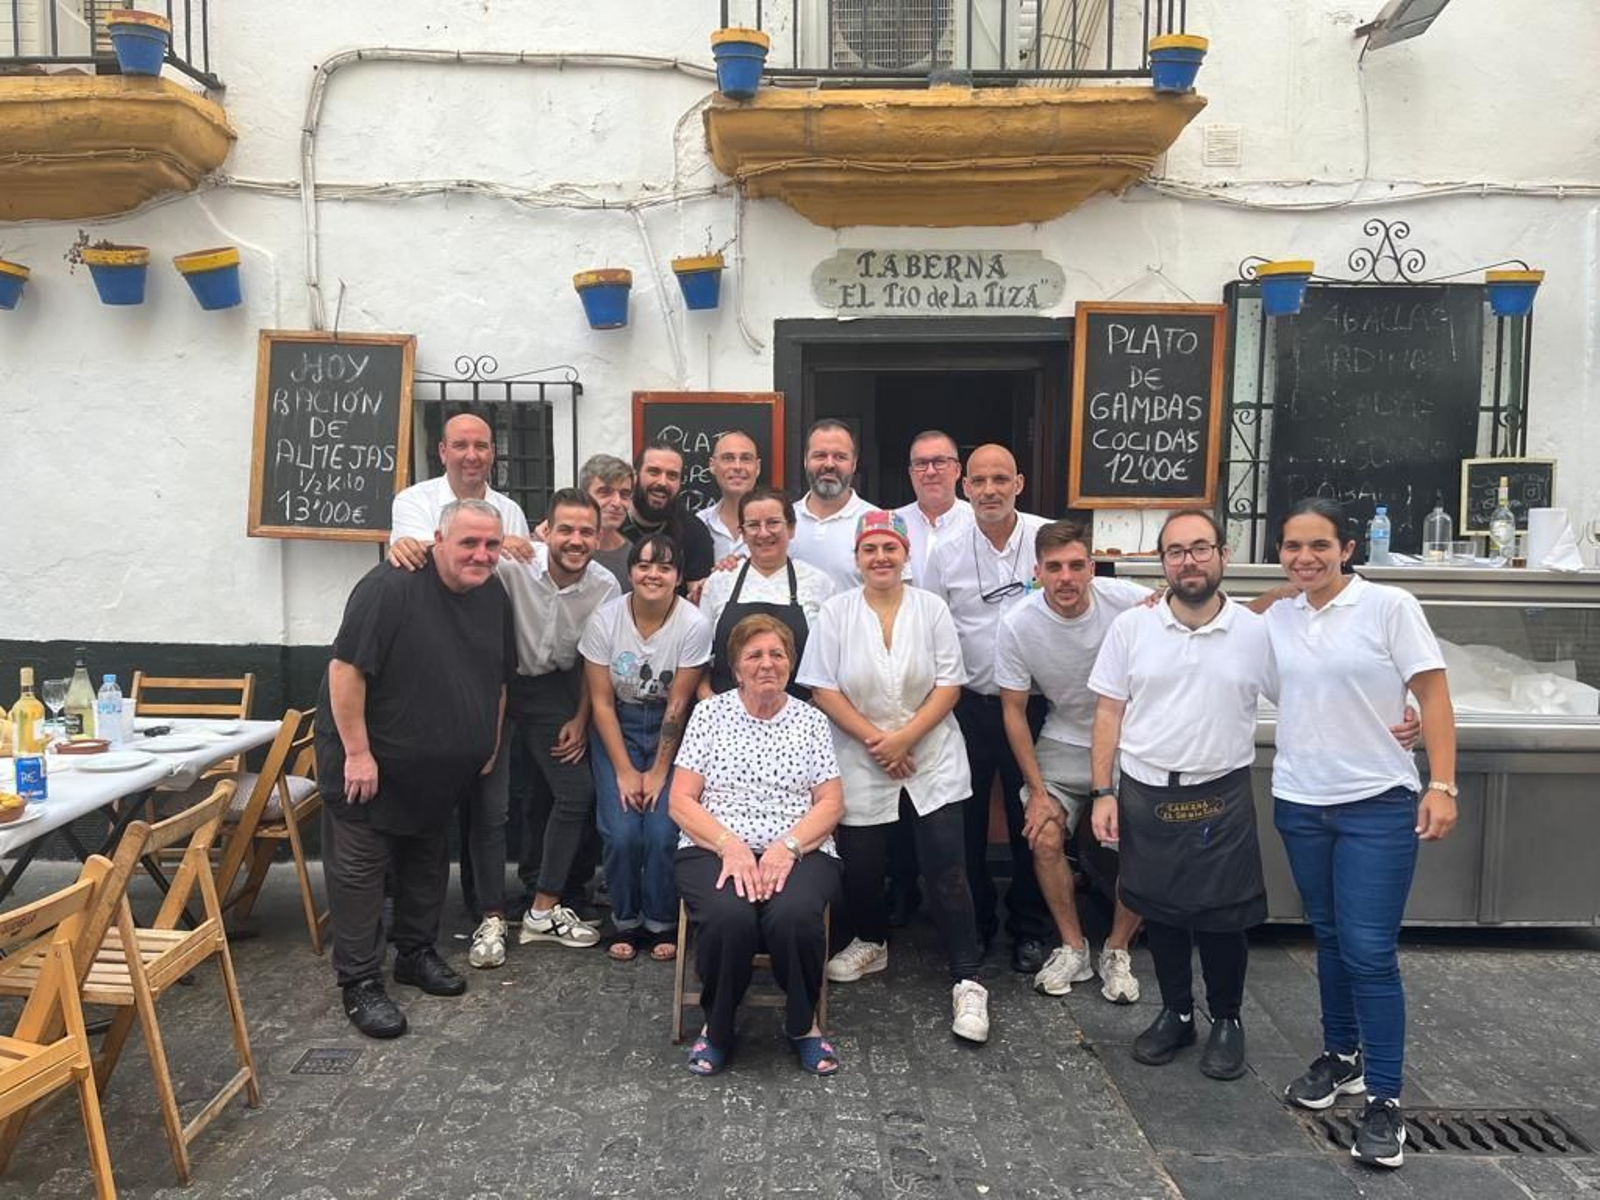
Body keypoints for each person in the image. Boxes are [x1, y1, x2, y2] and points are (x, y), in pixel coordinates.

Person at [1269, 499, 1457, 1170]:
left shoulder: (1389, 606)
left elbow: (1432, 694)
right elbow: (1250, 610)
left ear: (1348, 548)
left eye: (1319, 545)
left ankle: (1384, 1101)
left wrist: (1442, 784)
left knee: (1370, 951)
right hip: (1300, 802)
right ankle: (1341, 1055)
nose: (1305, 558)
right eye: (1292, 546)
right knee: (1327, 936)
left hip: (1376, 803)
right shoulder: (1282, 614)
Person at [318, 499, 514, 1039]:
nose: (481, 554)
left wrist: (489, 739)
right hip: (370, 768)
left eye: (492, 544)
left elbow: (498, 678)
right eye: (469, 542)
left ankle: (415, 953)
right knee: (360, 875)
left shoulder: (493, 593)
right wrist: (358, 753)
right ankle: (360, 981)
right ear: (438, 540)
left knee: (427, 865)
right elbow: (346, 669)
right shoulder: (390, 586)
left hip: (439, 775)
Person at [1087, 509, 1272, 1082]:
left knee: (1223, 915)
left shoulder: (1256, 632)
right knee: (1159, 909)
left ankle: (1228, 1019)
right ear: (1162, 562)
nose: (1188, 561)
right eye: (1175, 552)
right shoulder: (1132, 627)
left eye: (1199, 548)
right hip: (1146, 788)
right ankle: (1177, 1013)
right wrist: (1102, 791)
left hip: (1221, 790)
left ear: (1223, 554)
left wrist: (1392, 717)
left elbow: (1308, 694)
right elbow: (1108, 711)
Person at [797, 511, 991, 1043]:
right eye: (870, 549)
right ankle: (871, 941)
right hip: (861, 753)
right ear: (857, 558)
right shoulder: (837, 612)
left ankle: (967, 976)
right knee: (862, 864)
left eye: (890, 548)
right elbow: (823, 687)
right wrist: (879, 743)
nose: (880, 558)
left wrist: (905, 739)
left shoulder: (931, 609)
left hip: (931, 750)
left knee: (946, 866)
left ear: (906, 556)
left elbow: (949, 683)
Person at [668, 615, 845, 1076]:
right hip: (713, 844)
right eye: (755, 655)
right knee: (728, 916)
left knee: (795, 916)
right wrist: (729, 846)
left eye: (777, 654)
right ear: (737, 668)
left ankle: (803, 1025)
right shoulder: (710, 715)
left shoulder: (811, 721)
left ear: (790, 663)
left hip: (800, 846)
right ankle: (718, 1027)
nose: (767, 664)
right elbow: (680, 800)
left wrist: (788, 847)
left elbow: (830, 803)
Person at [996, 520, 1147, 1003]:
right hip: (1063, 737)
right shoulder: (1018, 623)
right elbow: (1014, 711)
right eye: (1054, 567)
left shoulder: (1128, 600)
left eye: (1077, 566)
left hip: (1129, 741)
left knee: (1141, 841)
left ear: (1092, 568)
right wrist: (1038, 792)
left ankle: (1118, 949)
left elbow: (1189, 611)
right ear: (1037, 571)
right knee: (1042, 834)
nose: (1066, 577)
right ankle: (1073, 945)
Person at [473, 488, 619, 969]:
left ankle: (543, 909)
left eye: (586, 532)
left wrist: (580, 718)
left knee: (576, 791)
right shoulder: (511, 564)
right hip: (493, 683)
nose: (576, 540)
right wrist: (500, 542)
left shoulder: (604, 586)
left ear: (598, 537)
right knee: (490, 801)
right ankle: (491, 915)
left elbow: (595, 660)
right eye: (566, 529)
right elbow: (462, 558)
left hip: (552, 690)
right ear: (546, 531)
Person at [923, 444, 1053, 973]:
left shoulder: (1047, 537)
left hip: (1036, 705)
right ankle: (974, 925)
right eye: (979, 481)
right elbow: (933, 627)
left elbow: (1088, 592)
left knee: (1033, 818)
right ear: (966, 487)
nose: (990, 490)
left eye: (1000, 479)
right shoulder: (946, 550)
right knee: (968, 822)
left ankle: (1030, 928)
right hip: (970, 707)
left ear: (1019, 484)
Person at [580, 535, 712, 962]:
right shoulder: (605, 620)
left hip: (669, 729)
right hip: (616, 725)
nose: (653, 575)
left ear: (678, 576)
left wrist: (656, 772)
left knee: (661, 830)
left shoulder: (693, 624)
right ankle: (625, 919)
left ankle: (660, 921)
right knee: (621, 832)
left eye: (665, 567)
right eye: (644, 565)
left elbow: (678, 704)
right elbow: (601, 702)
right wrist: (623, 770)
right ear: (631, 571)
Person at [698, 486, 835, 698]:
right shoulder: (719, 581)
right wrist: (713, 704)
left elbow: (830, 665)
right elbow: (700, 660)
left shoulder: (819, 583)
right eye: (753, 525)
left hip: (798, 711)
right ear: (742, 533)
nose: (763, 533)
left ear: (791, 528)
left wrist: (808, 711)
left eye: (773, 523)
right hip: (726, 710)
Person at [389, 412, 532, 568]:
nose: (472, 456)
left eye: (480, 446)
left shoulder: (511, 511)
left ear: (492, 453)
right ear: (443, 452)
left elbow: (521, 570)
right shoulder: (413, 501)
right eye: (460, 446)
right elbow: (422, 560)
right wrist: (499, 544)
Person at [789, 420, 879, 590]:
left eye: (840, 457)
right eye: (820, 455)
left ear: (854, 464)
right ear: (805, 461)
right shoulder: (782, 521)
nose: (829, 464)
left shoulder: (877, 522)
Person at [621, 440, 715, 599]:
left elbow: (697, 598)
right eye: (654, 472)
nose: (662, 482)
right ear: (635, 476)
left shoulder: (694, 531)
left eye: (672, 476)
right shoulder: (614, 524)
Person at [894, 429, 973, 587]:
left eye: (939, 462)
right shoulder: (893, 524)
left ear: (957, 470)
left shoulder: (977, 523)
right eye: (921, 464)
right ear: (911, 473)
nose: (930, 471)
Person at [697, 431, 761, 562]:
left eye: (746, 458)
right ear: (712, 465)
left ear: (758, 467)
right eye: (728, 458)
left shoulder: (778, 527)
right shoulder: (698, 524)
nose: (737, 466)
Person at [580, 453, 636, 590]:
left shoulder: (634, 556)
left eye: (624, 494)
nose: (617, 503)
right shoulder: (560, 546)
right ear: (584, 496)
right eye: (605, 492)